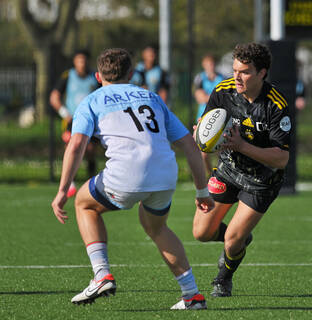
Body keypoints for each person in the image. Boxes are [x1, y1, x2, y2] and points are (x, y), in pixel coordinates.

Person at [51, 48, 214, 309]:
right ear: (131, 74)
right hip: (165, 174)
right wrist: (201, 191)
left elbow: (77, 145)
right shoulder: (152, 98)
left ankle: (101, 273)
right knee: (157, 227)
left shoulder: (93, 99)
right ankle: (192, 294)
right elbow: (190, 146)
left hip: (126, 175)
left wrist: (61, 191)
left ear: (97, 76)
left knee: (84, 203)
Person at [192, 43, 292, 297]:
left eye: (245, 71)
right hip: (228, 169)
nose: (237, 76)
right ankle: (239, 239)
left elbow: (281, 158)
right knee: (201, 232)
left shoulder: (275, 106)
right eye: (235, 69)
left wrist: (242, 146)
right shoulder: (223, 91)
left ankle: (223, 278)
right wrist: (201, 135)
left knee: (232, 240)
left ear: (262, 73)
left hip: (262, 179)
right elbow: (205, 129)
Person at [50, 49, 100, 197]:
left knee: (90, 150)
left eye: (84, 60)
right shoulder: (68, 76)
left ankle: (92, 181)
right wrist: (64, 113)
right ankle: (69, 182)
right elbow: (54, 97)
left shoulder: (94, 77)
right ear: (74, 62)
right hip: (73, 120)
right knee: (71, 147)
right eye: (79, 60)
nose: (81, 63)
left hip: (91, 120)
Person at [193, 54, 226, 176]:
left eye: (212, 64)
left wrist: (208, 97)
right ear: (204, 65)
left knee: (220, 150)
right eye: (208, 64)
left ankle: (221, 175)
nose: (210, 66)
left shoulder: (222, 78)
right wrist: (214, 97)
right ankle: (209, 175)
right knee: (204, 152)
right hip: (204, 118)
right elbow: (200, 98)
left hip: (220, 119)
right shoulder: (200, 78)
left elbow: (224, 99)